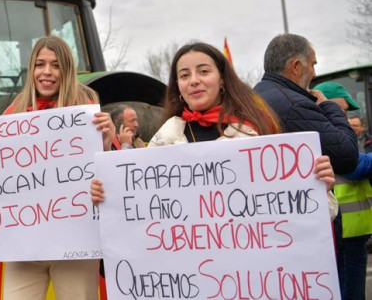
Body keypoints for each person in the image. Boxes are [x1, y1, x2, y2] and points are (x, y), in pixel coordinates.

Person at [0, 36, 114, 300]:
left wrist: (105, 143)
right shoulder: (14, 114)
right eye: (40, 64)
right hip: (24, 245)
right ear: (31, 70)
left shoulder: (88, 112)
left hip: (75, 243)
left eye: (56, 65)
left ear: (67, 70)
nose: (46, 72)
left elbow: (113, 178)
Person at [91, 42, 336, 212]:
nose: (194, 80)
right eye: (185, 75)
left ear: (222, 79)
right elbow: (138, 206)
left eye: (204, 71)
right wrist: (108, 196)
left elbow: (307, 210)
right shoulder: (165, 137)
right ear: (178, 86)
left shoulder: (256, 131)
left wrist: (318, 186)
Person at [253, 33, 358, 175]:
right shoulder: (296, 106)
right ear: (296, 67)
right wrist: (328, 106)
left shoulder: (253, 96)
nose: (314, 74)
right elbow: (348, 157)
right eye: (312, 65)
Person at [314, 81, 372, 300]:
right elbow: (354, 166)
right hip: (343, 230)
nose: (345, 118)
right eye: (342, 110)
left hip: (353, 228)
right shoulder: (328, 135)